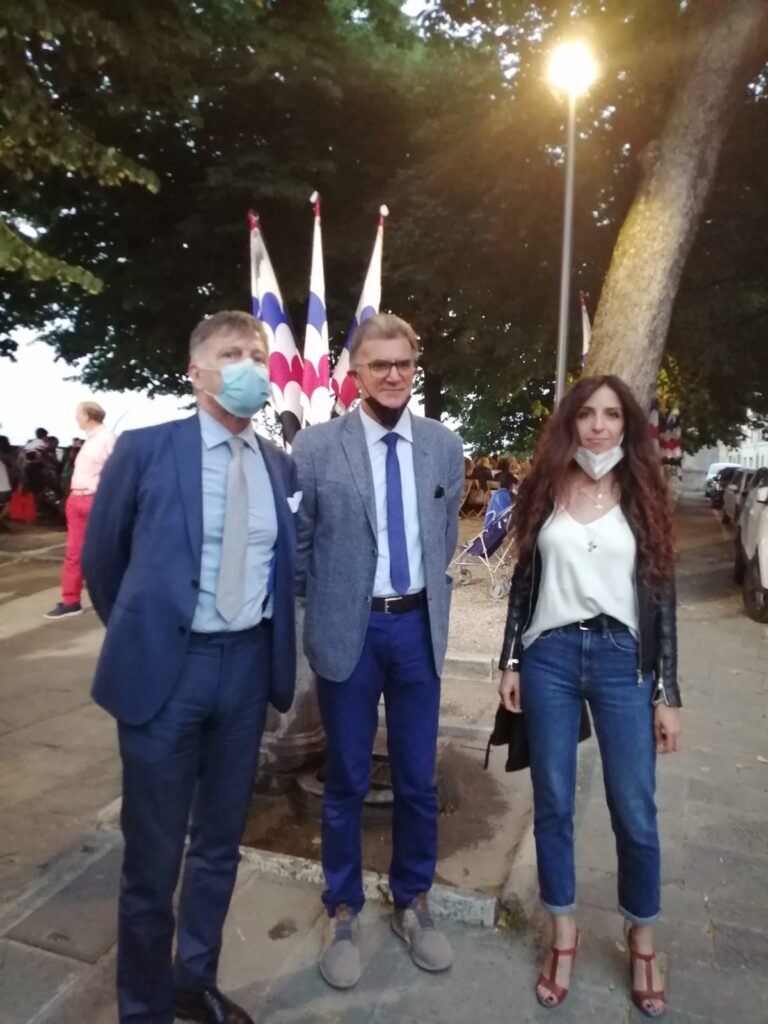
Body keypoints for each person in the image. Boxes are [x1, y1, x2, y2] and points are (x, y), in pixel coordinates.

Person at [82, 310, 298, 1024]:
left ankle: (192, 980)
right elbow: (103, 560)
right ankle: (143, 1007)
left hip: (246, 671)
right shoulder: (146, 450)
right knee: (151, 861)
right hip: (167, 675)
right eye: (232, 353)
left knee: (218, 845)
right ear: (196, 371)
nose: (250, 366)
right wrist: (148, 637)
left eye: (257, 354)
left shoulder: (278, 464)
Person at [497, 375, 681, 1018]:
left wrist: (668, 691)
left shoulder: (644, 491)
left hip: (622, 660)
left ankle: (642, 938)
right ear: (570, 422)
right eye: (587, 415)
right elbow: (523, 583)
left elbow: (661, 595)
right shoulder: (545, 487)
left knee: (634, 806)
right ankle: (564, 931)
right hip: (548, 656)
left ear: (627, 424)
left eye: (611, 415)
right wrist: (510, 660)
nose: (599, 426)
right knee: (552, 800)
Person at [292, 313, 464, 990]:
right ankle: (342, 906)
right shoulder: (315, 447)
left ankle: (412, 899)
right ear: (355, 372)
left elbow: (443, 537)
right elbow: (301, 545)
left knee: (418, 780)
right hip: (349, 633)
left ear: (415, 367)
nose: (393, 374)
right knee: (346, 779)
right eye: (379, 364)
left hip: (417, 630)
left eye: (404, 363)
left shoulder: (443, 446)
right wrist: (322, 610)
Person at [44, 404, 115, 619]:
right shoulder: (91, 440)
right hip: (78, 499)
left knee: (102, 552)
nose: (76, 417)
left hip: (94, 499)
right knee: (74, 554)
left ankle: (111, 599)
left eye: (78, 414)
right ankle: (71, 601)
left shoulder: (107, 439)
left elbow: (117, 472)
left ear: (88, 416)